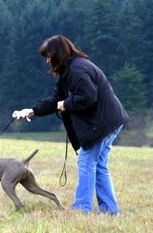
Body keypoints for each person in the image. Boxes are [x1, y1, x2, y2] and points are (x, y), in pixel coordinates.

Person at [12, 35, 129, 215]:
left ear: (58, 54)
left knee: (87, 161)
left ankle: (82, 209)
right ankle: (109, 210)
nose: (47, 61)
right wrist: (32, 110)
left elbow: (88, 97)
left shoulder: (77, 70)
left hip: (103, 123)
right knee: (98, 165)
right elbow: (55, 100)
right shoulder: (69, 71)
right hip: (109, 121)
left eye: (49, 56)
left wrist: (65, 104)